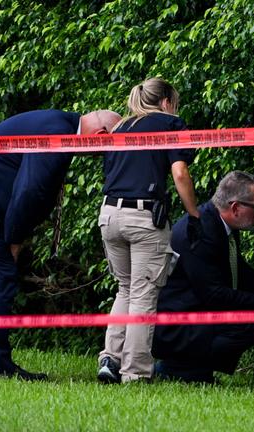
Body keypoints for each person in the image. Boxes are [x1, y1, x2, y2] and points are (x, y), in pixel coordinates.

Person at [0, 109, 121, 380]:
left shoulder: (60, 123)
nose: (99, 157)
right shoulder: (59, 134)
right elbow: (30, 190)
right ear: (101, 137)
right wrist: (14, 239)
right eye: (105, 150)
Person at [97, 78, 199, 384]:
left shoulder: (120, 127)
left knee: (125, 289)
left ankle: (110, 360)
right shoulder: (170, 124)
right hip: (143, 217)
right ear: (167, 102)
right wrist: (194, 214)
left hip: (109, 214)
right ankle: (136, 373)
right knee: (143, 293)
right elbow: (179, 172)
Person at [152, 171, 254, 383]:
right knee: (246, 324)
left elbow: (240, 273)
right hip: (177, 326)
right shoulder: (201, 232)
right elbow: (214, 294)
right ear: (236, 208)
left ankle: (192, 369)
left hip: (195, 313)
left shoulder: (221, 224)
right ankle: (181, 370)